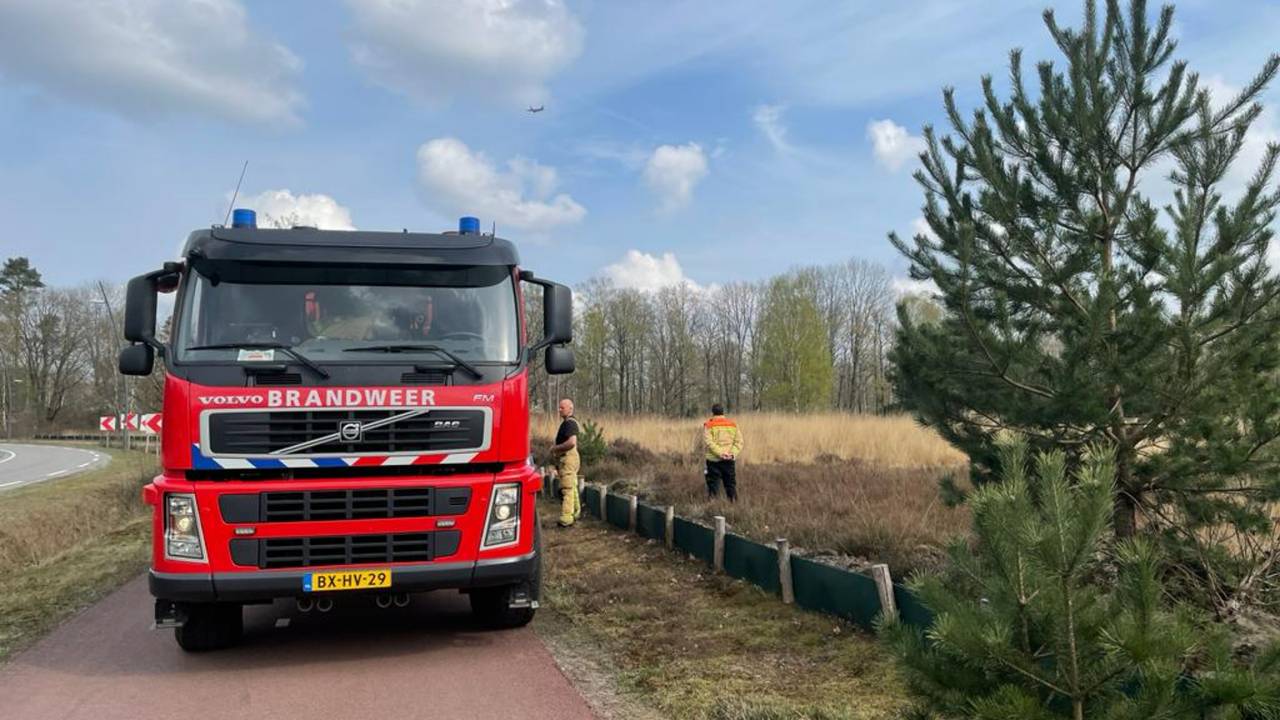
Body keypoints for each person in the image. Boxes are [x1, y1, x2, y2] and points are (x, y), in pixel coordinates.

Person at [703, 403, 743, 502]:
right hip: (729, 460)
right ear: (723, 412)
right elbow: (739, 442)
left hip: (713, 461)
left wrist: (720, 453)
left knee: (713, 486)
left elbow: (709, 442)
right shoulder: (733, 424)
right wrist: (732, 454)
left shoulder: (708, 425)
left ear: (712, 412)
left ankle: (712, 506)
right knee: (731, 485)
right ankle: (733, 504)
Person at [551, 398, 581, 527]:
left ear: (570, 409)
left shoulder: (570, 423)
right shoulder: (567, 423)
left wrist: (555, 448)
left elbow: (572, 442)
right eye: (559, 407)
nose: (559, 410)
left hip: (568, 459)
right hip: (567, 458)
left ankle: (566, 518)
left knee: (567, 489)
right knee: (572, 486)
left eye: (562, 408)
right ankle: (576, 512)